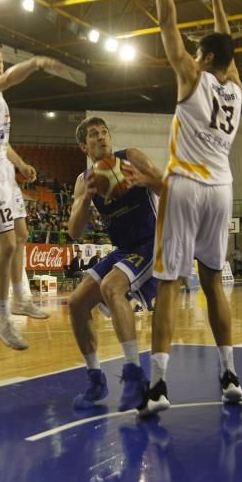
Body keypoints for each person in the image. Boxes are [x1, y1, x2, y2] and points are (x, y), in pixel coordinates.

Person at [142, 0, 242, 416]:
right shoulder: (235, 89)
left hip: (184, 184)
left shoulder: (192, 75)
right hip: (222, 188)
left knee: (166, 283)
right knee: (213, 283)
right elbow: (228, 49)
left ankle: (159, 385)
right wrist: (217, 1)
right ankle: (229, 374)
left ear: (202, 58)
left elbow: (166, 20)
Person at [0, 44, 66, 350]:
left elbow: (0, 139)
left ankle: (22, 299)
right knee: (6, 245)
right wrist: (35, 62)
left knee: (21, 234)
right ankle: (2, 319)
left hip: (4, 170)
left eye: (0, 61)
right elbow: (5, 80)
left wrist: (20, 164)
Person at [67, 117, 163, 410]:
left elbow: (166, 185)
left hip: (151, 243)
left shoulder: (131, 156)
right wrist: (86, 200)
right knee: (76, 303)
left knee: (111, 287)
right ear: (84, 145)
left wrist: (141, 180)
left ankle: (134, 376)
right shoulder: (84, 181)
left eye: (104, 132)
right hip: (123, 249)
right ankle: (96, 381)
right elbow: (74, 232)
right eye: (94, 135)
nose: (101, 137)